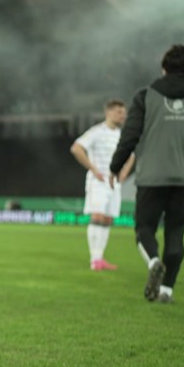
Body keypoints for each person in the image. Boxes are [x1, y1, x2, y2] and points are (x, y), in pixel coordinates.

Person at [109, 44, 184, 303]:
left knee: (144, 228)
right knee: (176, 233)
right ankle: (167, 290)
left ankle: (154, 262)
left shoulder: (144, 96)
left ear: (163, 67)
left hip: (151, 177)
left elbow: (129, 136)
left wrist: (115, 166)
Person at [70, 99, 135, 270]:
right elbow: (76, 148)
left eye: (124, 112)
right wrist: (93, 168)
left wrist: (125, 173)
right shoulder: (97, 131)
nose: (123, 115)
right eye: (119, 112)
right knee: (97, 216)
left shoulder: (122, 135)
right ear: (109, 113)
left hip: (114, 183)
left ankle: (100, 257)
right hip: (98, 181)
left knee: (108, 218)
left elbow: (131, 155)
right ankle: (95, 259)